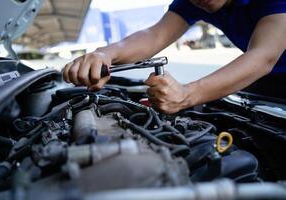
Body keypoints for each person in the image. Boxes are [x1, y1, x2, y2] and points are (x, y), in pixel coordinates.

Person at [63, 0, 286, 114]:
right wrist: (105, 54)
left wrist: (187, 95)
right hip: (267, 82)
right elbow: (155, 35)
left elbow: (263, 55)